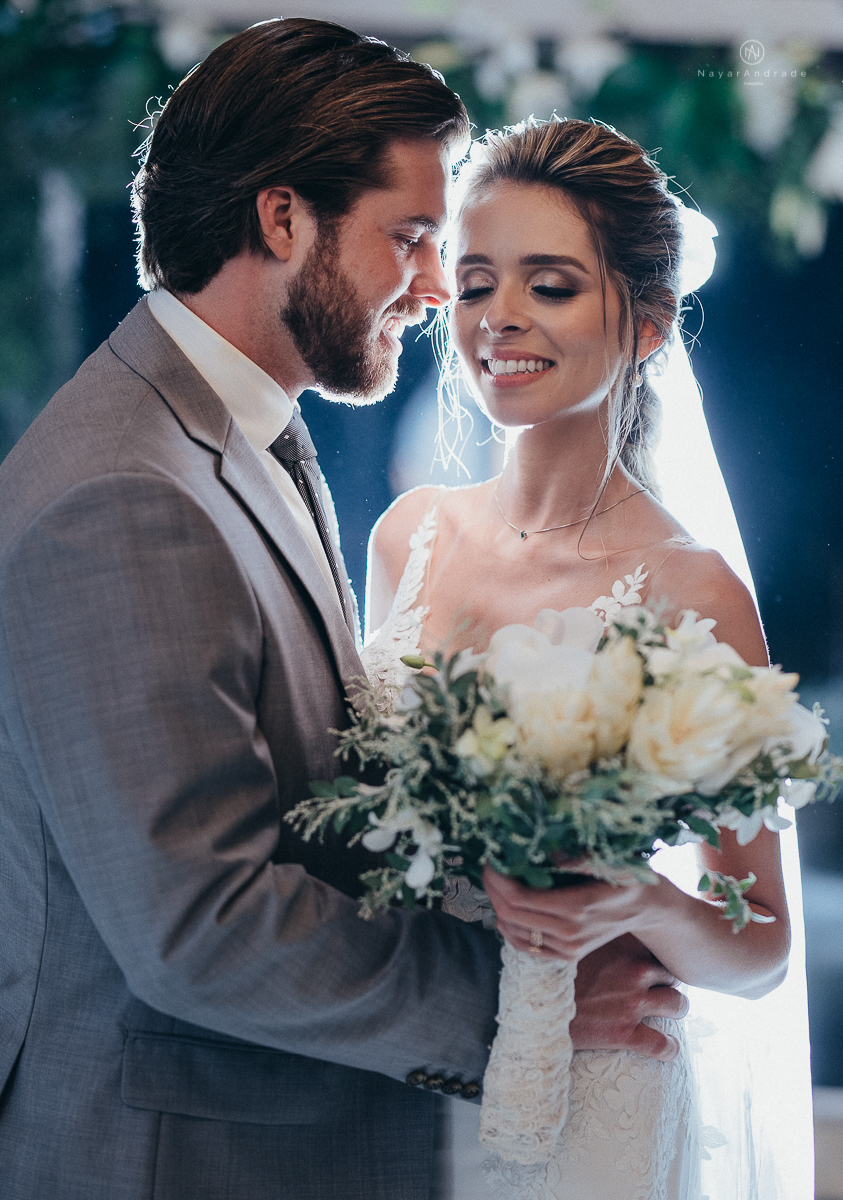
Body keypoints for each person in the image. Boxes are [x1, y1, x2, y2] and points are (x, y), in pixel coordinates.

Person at [0, 25, 690, 1200]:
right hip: (179, 1159)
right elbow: (200, 923)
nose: (438, 291)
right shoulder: (125, 490)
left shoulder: (238, 431)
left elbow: (311, 793)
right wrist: (531, 1003)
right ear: (282, 220)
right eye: (413, 240)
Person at [366, 118, 804, 1198]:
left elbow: (764, 951)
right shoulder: (405, 537)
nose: (499, 318)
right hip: (402, 1072)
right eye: (474, 284)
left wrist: (640, 904)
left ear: (646, 324)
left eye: (550, 285)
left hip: (598, 1090)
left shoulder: (694, 591)